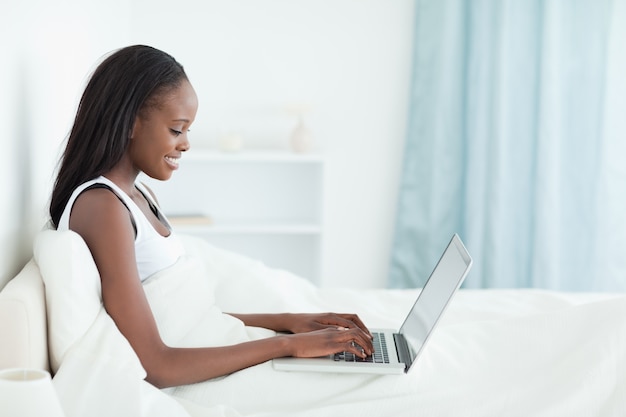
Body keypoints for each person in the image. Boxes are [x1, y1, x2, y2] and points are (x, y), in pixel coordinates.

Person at [48, 45, 374, 390]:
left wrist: (290, 322)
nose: (186, 144)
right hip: (194, 375)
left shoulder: (139, 196)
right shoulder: (103, 207)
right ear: (130, 123)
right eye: (177, 129)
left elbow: (191, 319)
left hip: (214, 350)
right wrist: (287, 345)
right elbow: (155, 364)